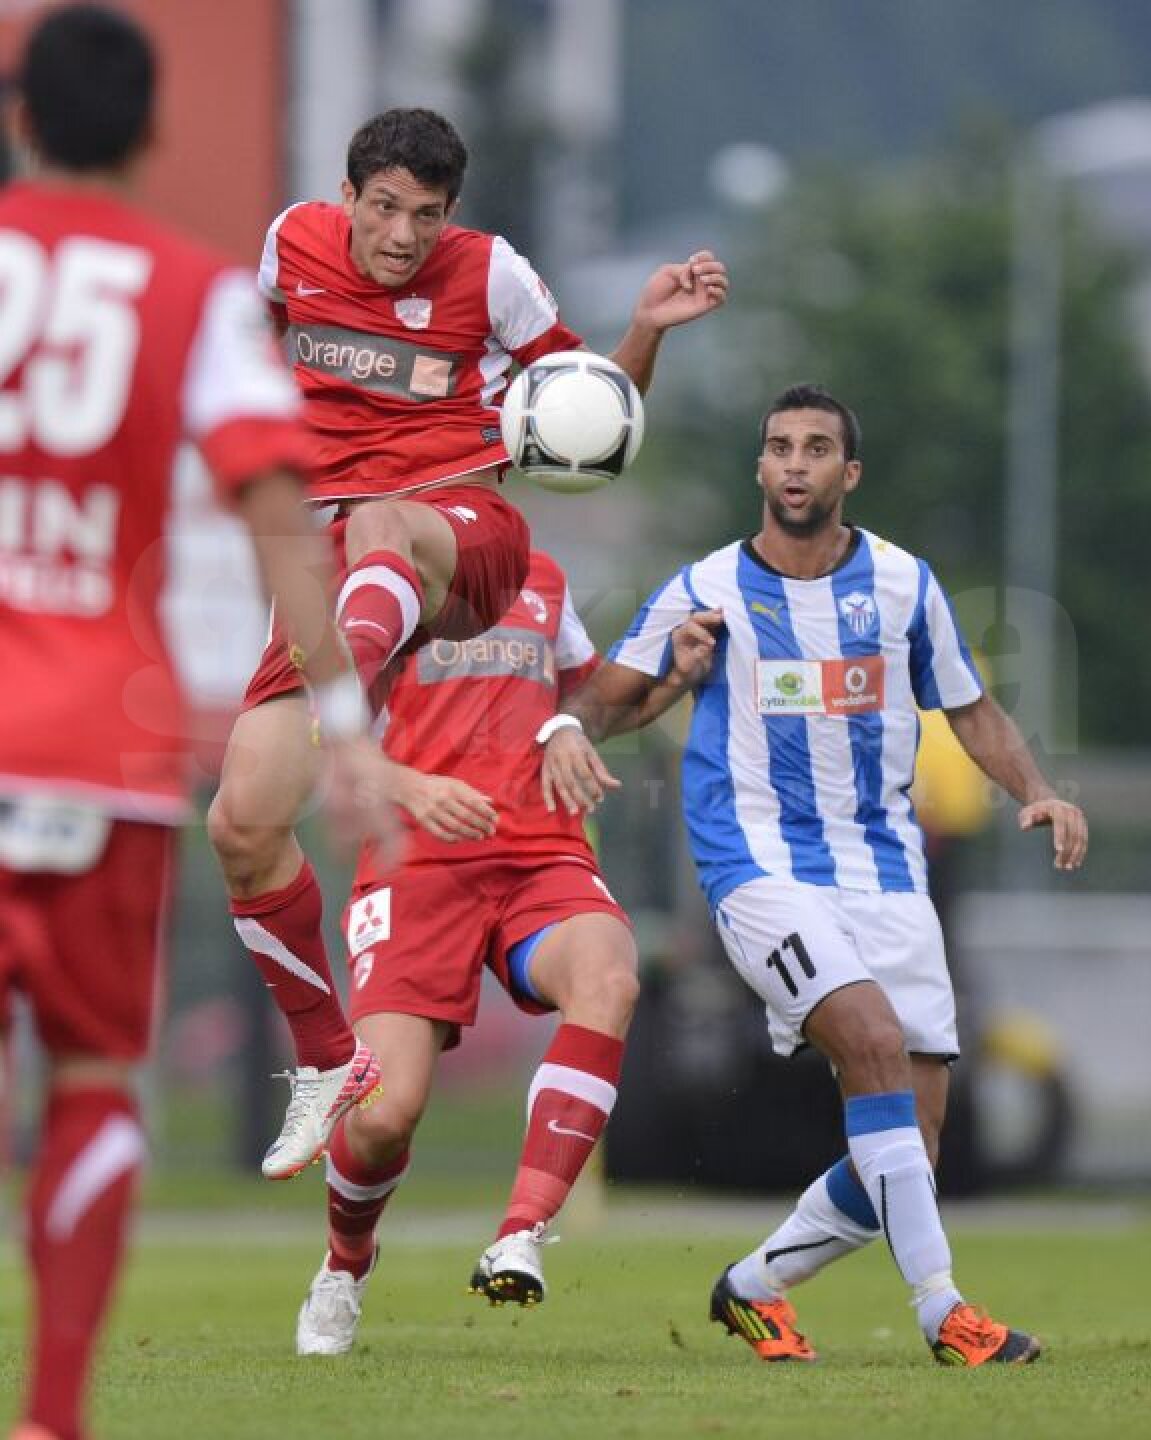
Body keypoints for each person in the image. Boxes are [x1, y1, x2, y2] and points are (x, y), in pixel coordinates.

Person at [0, 8, 396, 1438]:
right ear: (155, 134)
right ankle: (51, 1417)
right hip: (95, 760)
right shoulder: (190, 293)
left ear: (19, 115)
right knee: (97, 1081)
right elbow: (280, 513)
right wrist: (343, 721)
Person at [205, 105, 729, 1182]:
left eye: (427, 216)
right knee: (241, 825)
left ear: (453, 216)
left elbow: (591, 418)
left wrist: (646, 332)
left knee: (386, 522)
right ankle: (325, 1060)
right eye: (386, 209)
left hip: (464, 545)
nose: (404, 235)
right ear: (346, 198)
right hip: (337, 571)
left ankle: (351, 724)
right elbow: (253, 366)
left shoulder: (492, 276)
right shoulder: (287, 247)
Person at [539, 383, 1088, 1368]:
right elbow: (605, 697)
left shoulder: (902, 585)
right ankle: (945, 1312)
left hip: (885, 873)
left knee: (909, 1148)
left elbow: (969, 710)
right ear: (761, 469)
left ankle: (754, 1287)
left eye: (817, 447)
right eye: (780, 447)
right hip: (758, 871)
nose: (795, 463)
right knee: (871, 1044)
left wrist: (1036, 791)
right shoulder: (705, 588)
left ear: (849, 473)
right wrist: (585, 721)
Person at [292, 548, 676, 1355]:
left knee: (609, 978)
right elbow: (320, 725)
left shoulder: (544, 573)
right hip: (416, 862)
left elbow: (586, 699)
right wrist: (412, 787)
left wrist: (662, 686)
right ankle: (344, 1264)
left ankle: (519, 1234)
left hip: (540, 849)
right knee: (385, 1115)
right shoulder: (381, 578)